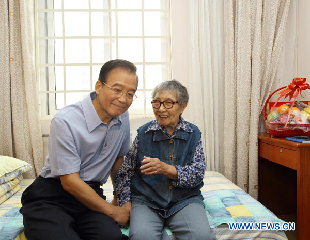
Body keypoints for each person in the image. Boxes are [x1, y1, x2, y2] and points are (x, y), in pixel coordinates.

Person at [20, 59, 138, 240]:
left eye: (130, 94)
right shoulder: (66, 120)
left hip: (90, 197)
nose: (123, 99)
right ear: (99, 86)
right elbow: (69, 182)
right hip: (52, 196)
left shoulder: (123, 117)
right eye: (117, 89)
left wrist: (118, 197)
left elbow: (118, 161)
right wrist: (113, 212)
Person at [115, 80, 217, 240]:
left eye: (168, 103)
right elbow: (124, 174)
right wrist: (125, 202)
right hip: (146, 200)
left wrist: (166, 169)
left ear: (183, 106)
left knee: (202, 236)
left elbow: (197, 174)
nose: (161, 109)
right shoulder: (143, 134)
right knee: (142, 237)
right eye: (156, 103)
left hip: (184, 200)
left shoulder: (193, 133)